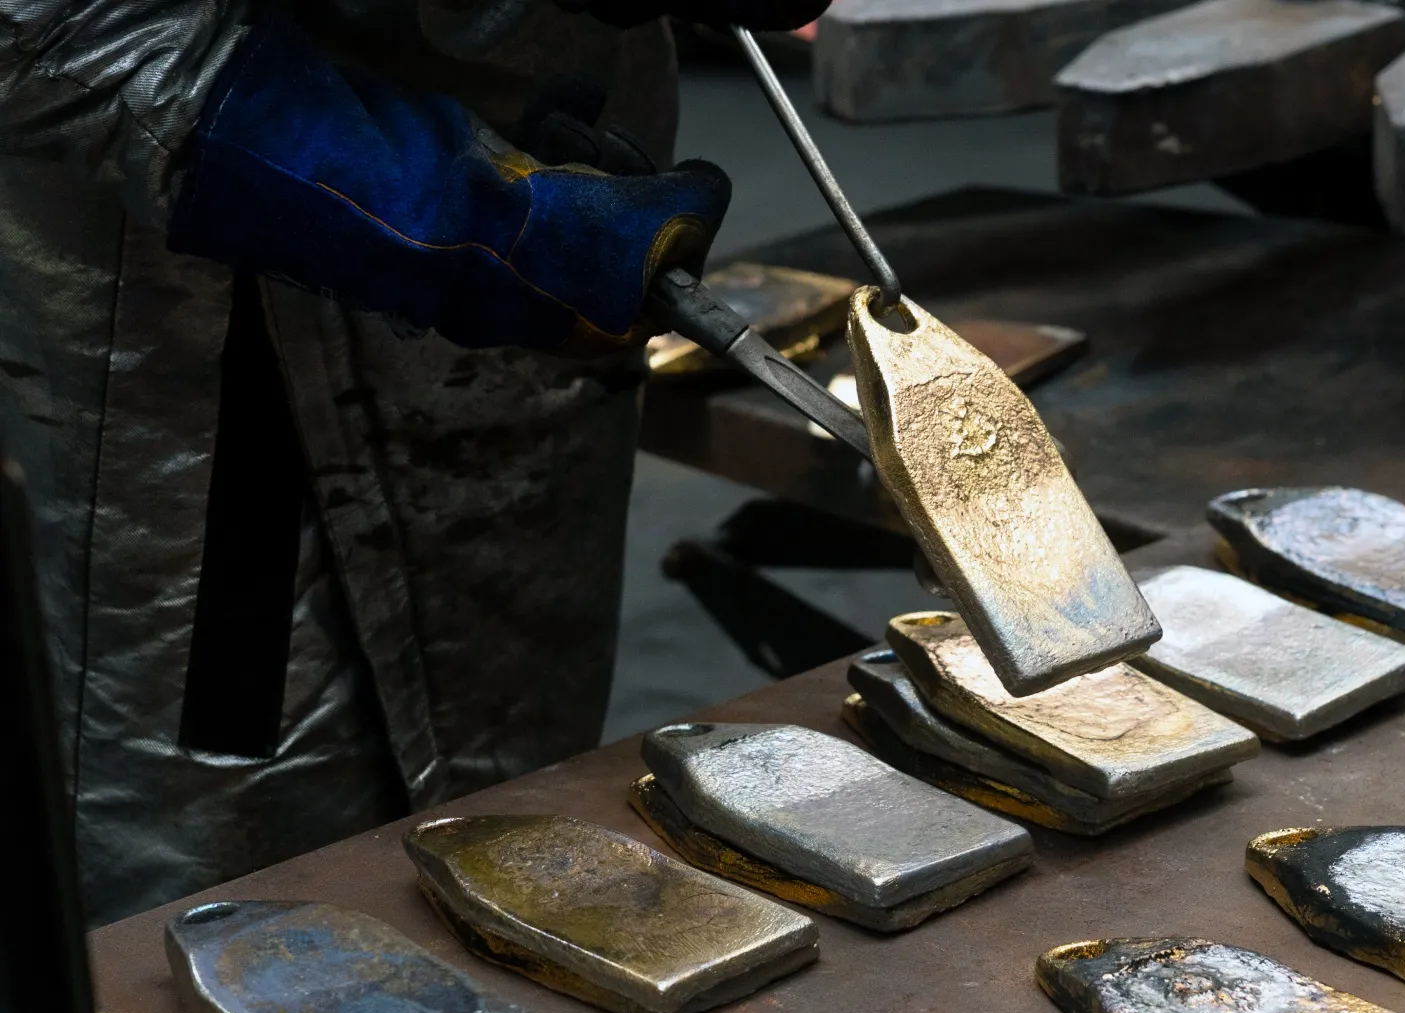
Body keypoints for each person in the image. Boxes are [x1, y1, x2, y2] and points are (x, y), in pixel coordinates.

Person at [0, 0, 825, 923]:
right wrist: (451, 211)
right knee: (245, 911)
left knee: (521, 844)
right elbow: (53, 28)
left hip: (549, 269)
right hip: (218, 360)